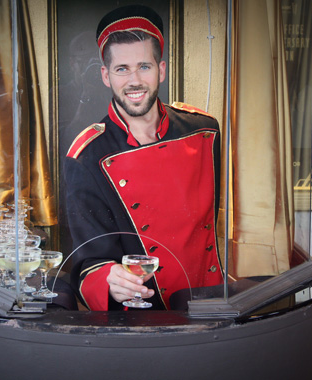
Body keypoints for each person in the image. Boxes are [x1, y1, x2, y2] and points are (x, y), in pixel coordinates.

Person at [64, 5, 223, 311]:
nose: (134, 80)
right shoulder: (86, 157)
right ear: (106, 76)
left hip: (207, 299)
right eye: (121, 69)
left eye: (144, 67)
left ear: (161, 70)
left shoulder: (204, 131)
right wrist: (109, 280)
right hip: (142, 316)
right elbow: (90, 261)